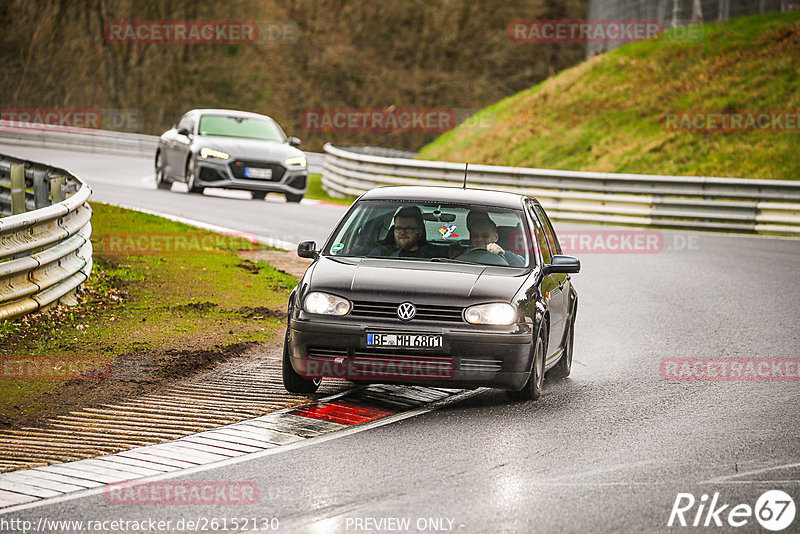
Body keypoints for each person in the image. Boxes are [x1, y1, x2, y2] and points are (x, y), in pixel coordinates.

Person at [370, 206, 437, 258]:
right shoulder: (379, 254)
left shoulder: (431, 257)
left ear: (419, 231)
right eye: (399, 228)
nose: (403, 232)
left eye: (409, 228)